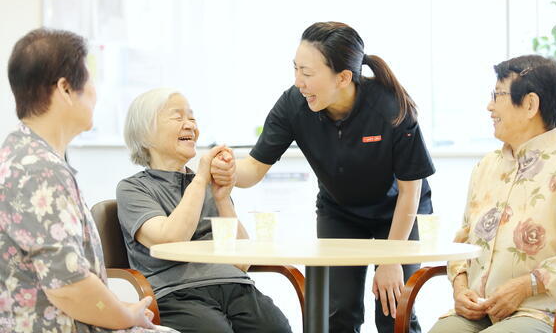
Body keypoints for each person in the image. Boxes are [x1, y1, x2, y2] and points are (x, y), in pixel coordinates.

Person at [211, 21, 435, 333]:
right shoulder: (293, 104)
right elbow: (253, 170)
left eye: (308, 72)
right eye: (295, 69)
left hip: (397, 212)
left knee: (392, 308)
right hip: (340, 212)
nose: (298, 82)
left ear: (343, 77)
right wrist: (229, 171)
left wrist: (392, 257)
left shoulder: (389, 106)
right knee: (338, 312)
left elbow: (411, 191)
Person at [0, 28, 176, 333]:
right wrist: (126, 316)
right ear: (66, 89)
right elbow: (69, 287)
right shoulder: (39, 171)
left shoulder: (23, 154)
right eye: (91, 80)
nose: (96, 92)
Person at [428, 55, 556, 333]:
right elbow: (463, 239)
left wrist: (526, 285)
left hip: (543, 311)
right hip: (480, 308)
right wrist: (460, 288)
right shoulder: (487, 166)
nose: (489, 106)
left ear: (530, 104)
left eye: (498, 96)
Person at [116, 88, 292, 333]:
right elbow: (171, 238)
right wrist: (200, 178)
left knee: (276, 328)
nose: (190, 125)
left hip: (235, 285)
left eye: (192, 118)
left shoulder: (210, 185)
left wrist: (222, 198)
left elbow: (242, 262)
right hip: (176, 293)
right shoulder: (133, 189)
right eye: (178, 118)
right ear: (145, 133)